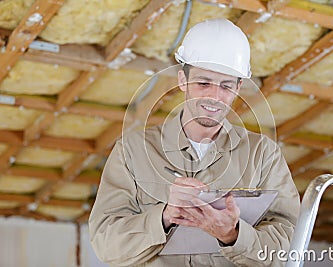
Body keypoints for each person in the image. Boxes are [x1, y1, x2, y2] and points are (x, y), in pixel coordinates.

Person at [89, 18, 300, 267]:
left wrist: (232, 236)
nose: (214, 97)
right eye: (203, 83)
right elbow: (106, 244)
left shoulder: (263, 155)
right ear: (182, 80)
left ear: (238, 88)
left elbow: (291, 245)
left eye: (226, 86)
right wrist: (166, 216)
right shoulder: (132, 151)